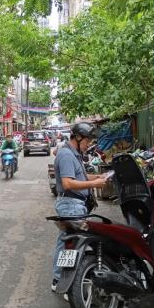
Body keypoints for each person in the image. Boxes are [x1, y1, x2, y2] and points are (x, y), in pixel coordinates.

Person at [52, 122, 107, 293]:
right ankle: (64, 282)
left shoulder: (74, 154)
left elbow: (79, 176)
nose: (89, 144)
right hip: (71, 205)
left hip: (74, 205)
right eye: (87, 141)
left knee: (68, 242)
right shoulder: (67, 155)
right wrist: (94, 184)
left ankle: (59, 279)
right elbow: (68, 183)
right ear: (77, 137)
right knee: (72, 244)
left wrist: (97, 176)